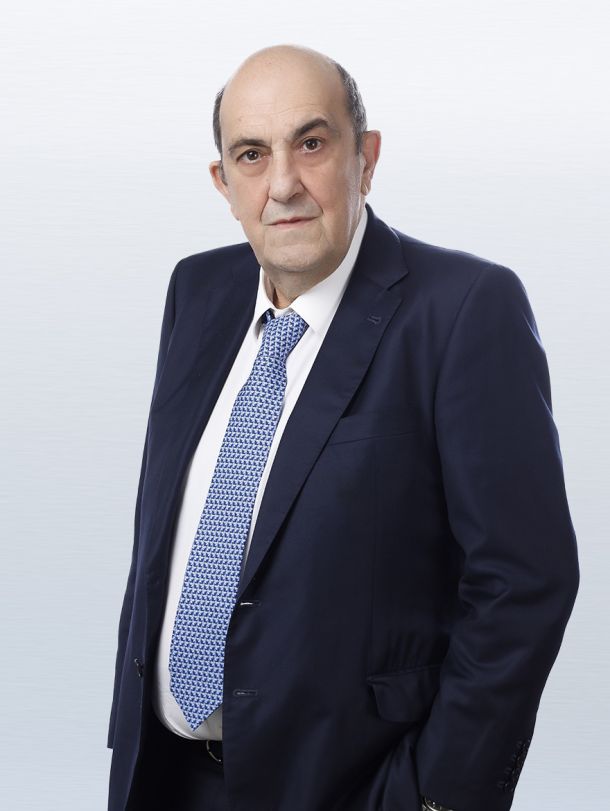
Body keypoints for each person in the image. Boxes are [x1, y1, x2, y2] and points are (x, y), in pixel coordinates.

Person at [106, 44, 579, 811]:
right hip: (163, 777)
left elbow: (524, 583)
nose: (283, 184)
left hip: (351, 787)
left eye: (312, 143)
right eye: (252, 155)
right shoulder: (197, 291)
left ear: (367, 157)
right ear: (224, 183)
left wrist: (437, 796)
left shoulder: (463, 311)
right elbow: (164, 538)